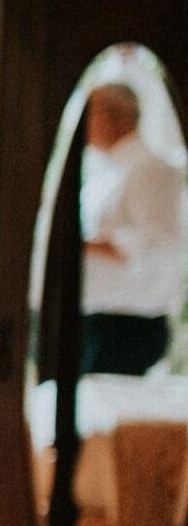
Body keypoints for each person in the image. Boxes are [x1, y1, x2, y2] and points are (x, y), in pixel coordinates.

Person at [78, 82, 186, 376]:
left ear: (119, 116)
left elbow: (151, 241)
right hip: (99, 314)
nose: (82, 122)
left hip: (126, 322)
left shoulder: (148, 168)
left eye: (89, 112)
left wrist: (76, 244)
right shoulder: (106, 170)